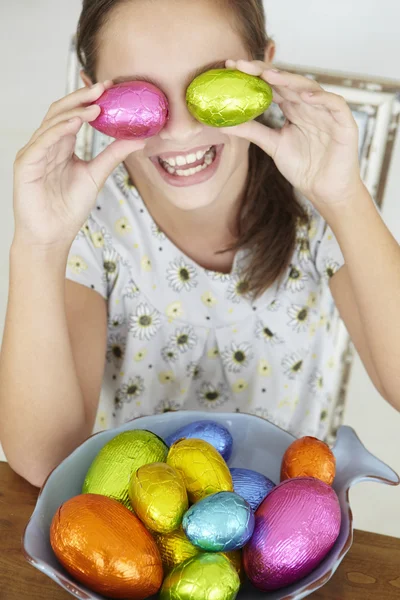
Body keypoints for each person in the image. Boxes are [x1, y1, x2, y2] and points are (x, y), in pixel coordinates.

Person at [1, 0, 399, 488]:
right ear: (91, 99)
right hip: (141, 540)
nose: (181, 130)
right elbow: (47, 459)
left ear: (265, 71)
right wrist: (38, 245)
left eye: (207, 85)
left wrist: (344, 197)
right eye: (143, 95)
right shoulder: (94, 224)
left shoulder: (316, 208)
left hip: (287, 527)